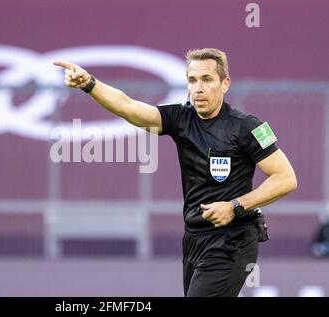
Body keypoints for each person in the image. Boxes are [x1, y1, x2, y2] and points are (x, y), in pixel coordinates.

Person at [53, 48, 297, 297]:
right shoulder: (181, 118)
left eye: (207, 79)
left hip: (232, 240)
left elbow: (286, 178)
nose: (198, 88)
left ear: (225, 84)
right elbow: (128, 107)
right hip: (194, 239)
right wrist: (89, 84)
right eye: (192, 80)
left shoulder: (246, 126)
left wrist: (234, 206)